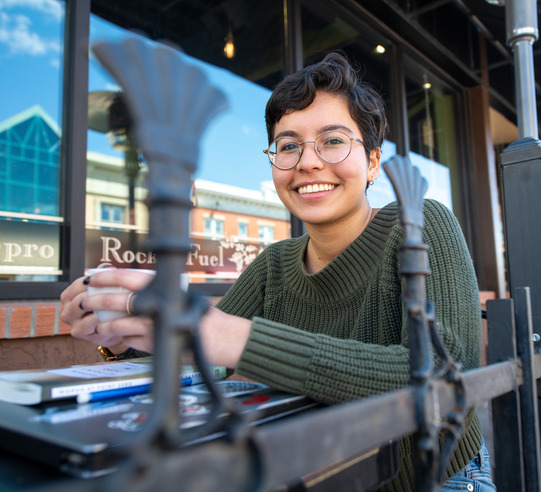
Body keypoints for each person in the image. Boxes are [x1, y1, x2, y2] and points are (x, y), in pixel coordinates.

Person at [60, 52, 494, 491]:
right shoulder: (273, 266)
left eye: (333, 140)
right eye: (288, 145)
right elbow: (195, 362)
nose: (307, 162)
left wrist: (229, 336)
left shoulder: (419, 224)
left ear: (374, 162)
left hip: (441, 477)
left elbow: (445, 375)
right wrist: (118, 339)